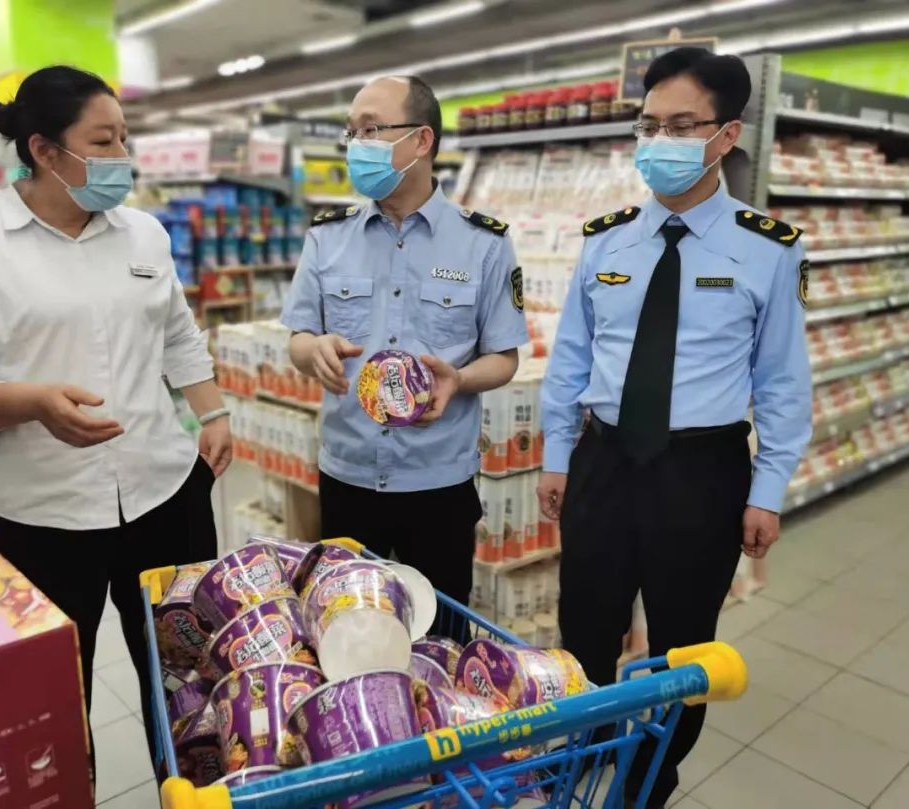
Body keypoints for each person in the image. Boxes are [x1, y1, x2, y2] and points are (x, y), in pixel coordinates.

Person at [0, 66, 231, 770]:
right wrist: (29, 402)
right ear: (45, 151)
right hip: (39, 514)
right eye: (103, 140)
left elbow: (177, 330)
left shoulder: (144, 234)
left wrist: (212, 410)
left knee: (187, 687)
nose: (124, 155)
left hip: (164, 491)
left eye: (125, 135)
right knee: (51, 704)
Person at [536, 48, 811, 808]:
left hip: (703, 469)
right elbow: (570, 360)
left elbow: (783, 381)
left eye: (680, 125)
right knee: (584, 628)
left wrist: (770, 488)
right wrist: (557, 453)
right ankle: (585, 749)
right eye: (648, 124)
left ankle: (650, 778)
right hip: (604, 459)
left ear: (726, 134)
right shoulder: (607, 239)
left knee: (683, 647)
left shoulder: (768, 249)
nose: (658, 141)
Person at [281, 76, 528, 610]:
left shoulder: (483, 243)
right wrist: (314, 350)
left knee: (438, 632)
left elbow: (504, 357)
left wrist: (459, 379)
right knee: (348, 627)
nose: (356, 145)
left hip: (438, 482)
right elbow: (298, 338)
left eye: (371, 129)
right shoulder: (327, 236)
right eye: (351, 133)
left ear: (421, 141)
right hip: (347, 474)